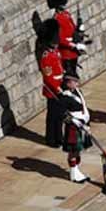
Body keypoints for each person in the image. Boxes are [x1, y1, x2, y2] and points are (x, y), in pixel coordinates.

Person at [58, 71, 92, 183]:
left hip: (82, 124)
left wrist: (86, 124)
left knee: (78, 150)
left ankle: (77, 171)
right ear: (68, 83)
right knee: (73, 150)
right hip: (73, 127)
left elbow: (83, 108)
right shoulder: (64, 97)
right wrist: (74, 121)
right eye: (74, 82)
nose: (77, 83)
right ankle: (73, 173)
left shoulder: (78, 92)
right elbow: (62, 114)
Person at [48, 0, 86, 75]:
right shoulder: (56, 19)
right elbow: (60, 38)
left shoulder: (66, 14)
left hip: (73, 51)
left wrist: (79, 30)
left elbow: (72, 28)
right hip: (66, 53)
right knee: (69, 76)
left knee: (74, 75)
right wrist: (72, 45)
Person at [39, 18, 64, 147]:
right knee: (52, 116)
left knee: (59, 115)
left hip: (60, 86)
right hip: (52, 90)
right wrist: (57, 88)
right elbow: (48, 77)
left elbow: (60, 68)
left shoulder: (56, 52)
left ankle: (59, 137)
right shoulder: (46, 56)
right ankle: (51, 139)